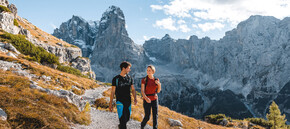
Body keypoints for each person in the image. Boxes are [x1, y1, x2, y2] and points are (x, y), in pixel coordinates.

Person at [109, 61, 137, 129]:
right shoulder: (116, 79)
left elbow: (133, 89)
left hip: (128, 101)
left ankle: (120, 126)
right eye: (128, 68)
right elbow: (113, 92)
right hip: (120, 101)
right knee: (122, 120)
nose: (129, 70)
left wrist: (135, 98)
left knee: (127, 118)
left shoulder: (130, 78)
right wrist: (110, 103)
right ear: (123, 68)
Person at [141, 65, 161, 129]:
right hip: (147, 99)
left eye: (149, 70)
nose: (148, 71)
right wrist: (146, 98)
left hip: (154, 99)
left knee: (155, 116)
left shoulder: (156, 79)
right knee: (147, 116)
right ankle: (142, 126)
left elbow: (158, 91)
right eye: (147, 70)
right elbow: (142, 91)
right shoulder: (144, 80)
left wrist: (159, 84)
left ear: (153, 71)